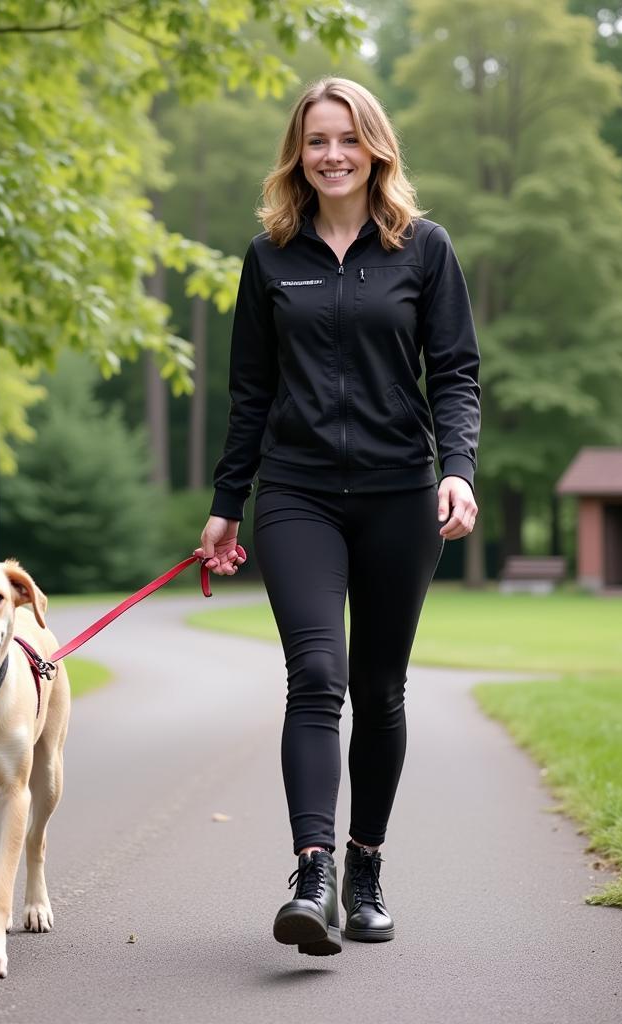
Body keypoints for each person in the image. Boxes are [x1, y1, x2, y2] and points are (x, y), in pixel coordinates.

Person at [194, 77, 480, 957]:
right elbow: (250, 391)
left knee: (379, 689)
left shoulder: (423, 250)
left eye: (347, 139)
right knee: (316, 674)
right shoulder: (270, 254)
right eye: (316, 140)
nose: (332, 154)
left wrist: (458, 470)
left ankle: (365, 868)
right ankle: (311, 874)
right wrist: (225, 506)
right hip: (298, 492)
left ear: (376, 148)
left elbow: (456, 372)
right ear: (298, 153)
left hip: (400, 492)